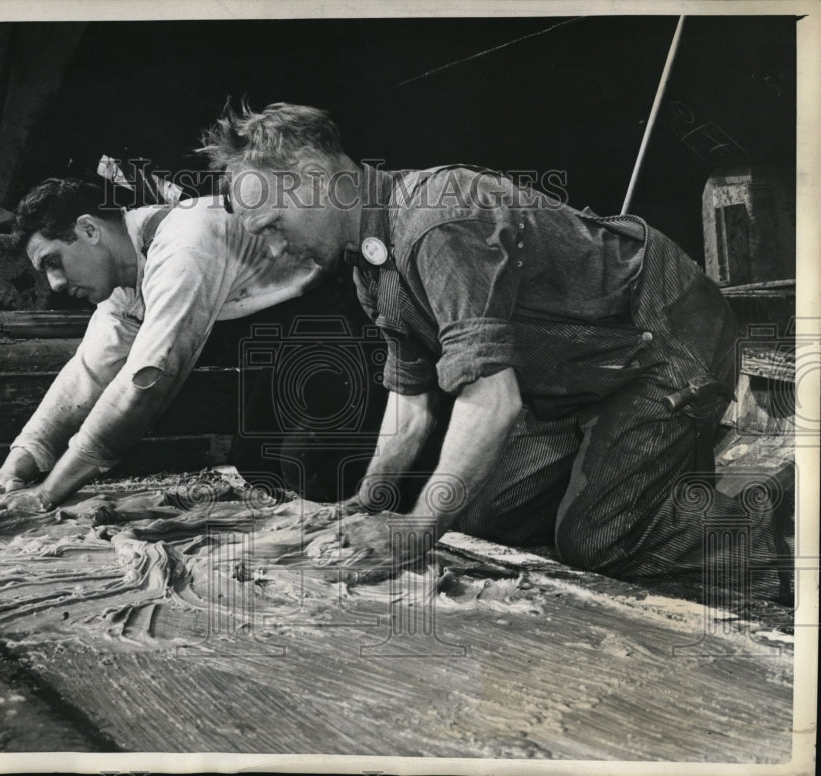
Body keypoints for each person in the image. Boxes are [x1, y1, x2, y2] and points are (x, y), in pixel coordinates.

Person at [198, 101, 785, 582]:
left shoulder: (438, 222)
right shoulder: (369, 263)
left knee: (597, 544)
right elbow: (411, 397)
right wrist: (369, 500)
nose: (274, 252)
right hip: (579, 370)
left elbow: (493, 401)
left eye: (272, 226)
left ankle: (773, 530)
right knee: (480, 519)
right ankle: (639, 495)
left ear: (318, 180)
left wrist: (416, 530)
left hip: (666, 336)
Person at [0, 177, 324, 511]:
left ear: (89, 229)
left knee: (313, 469)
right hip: (282, 335)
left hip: (338, 310)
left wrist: (47, 493)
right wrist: (12, 470)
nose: (55, 284)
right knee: (258, 464)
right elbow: (87, 372)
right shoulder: (123, 273)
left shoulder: (183, 243)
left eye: (53, 262)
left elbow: (145, 383)